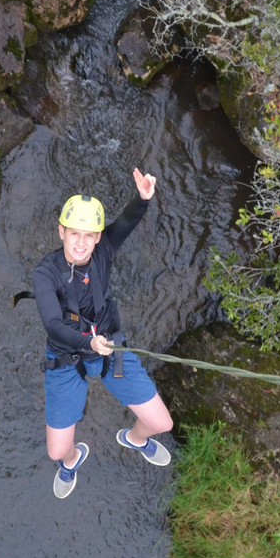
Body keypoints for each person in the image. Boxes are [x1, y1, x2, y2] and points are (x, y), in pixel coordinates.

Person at [32, 167, 174, 500]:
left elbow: (126, 221)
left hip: (110, 347)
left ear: (98, 237)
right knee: (56, 452)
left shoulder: (103, 249)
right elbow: (53, 324)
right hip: (67, 357)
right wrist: (89, 342)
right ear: (61, 232)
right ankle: (72, 460)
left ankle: (135, 439)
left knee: (162, 424)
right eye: (74, 234)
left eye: (89, 235)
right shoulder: (45, 274)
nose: (81, 243)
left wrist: (142, 199)